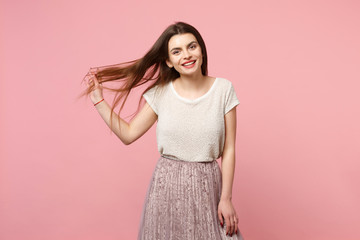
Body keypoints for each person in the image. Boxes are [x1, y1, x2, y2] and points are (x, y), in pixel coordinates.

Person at [81, 21, 244, 240]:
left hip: (209, 186)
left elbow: (229, 149)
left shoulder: (223, 89)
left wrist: (226, 198)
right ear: (168, 61)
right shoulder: (161, 94)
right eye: (177, 51)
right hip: (167, 187)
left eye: (191, 46)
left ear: (201, 51)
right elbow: (128, 134)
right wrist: (99, 101)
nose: (186, 55)